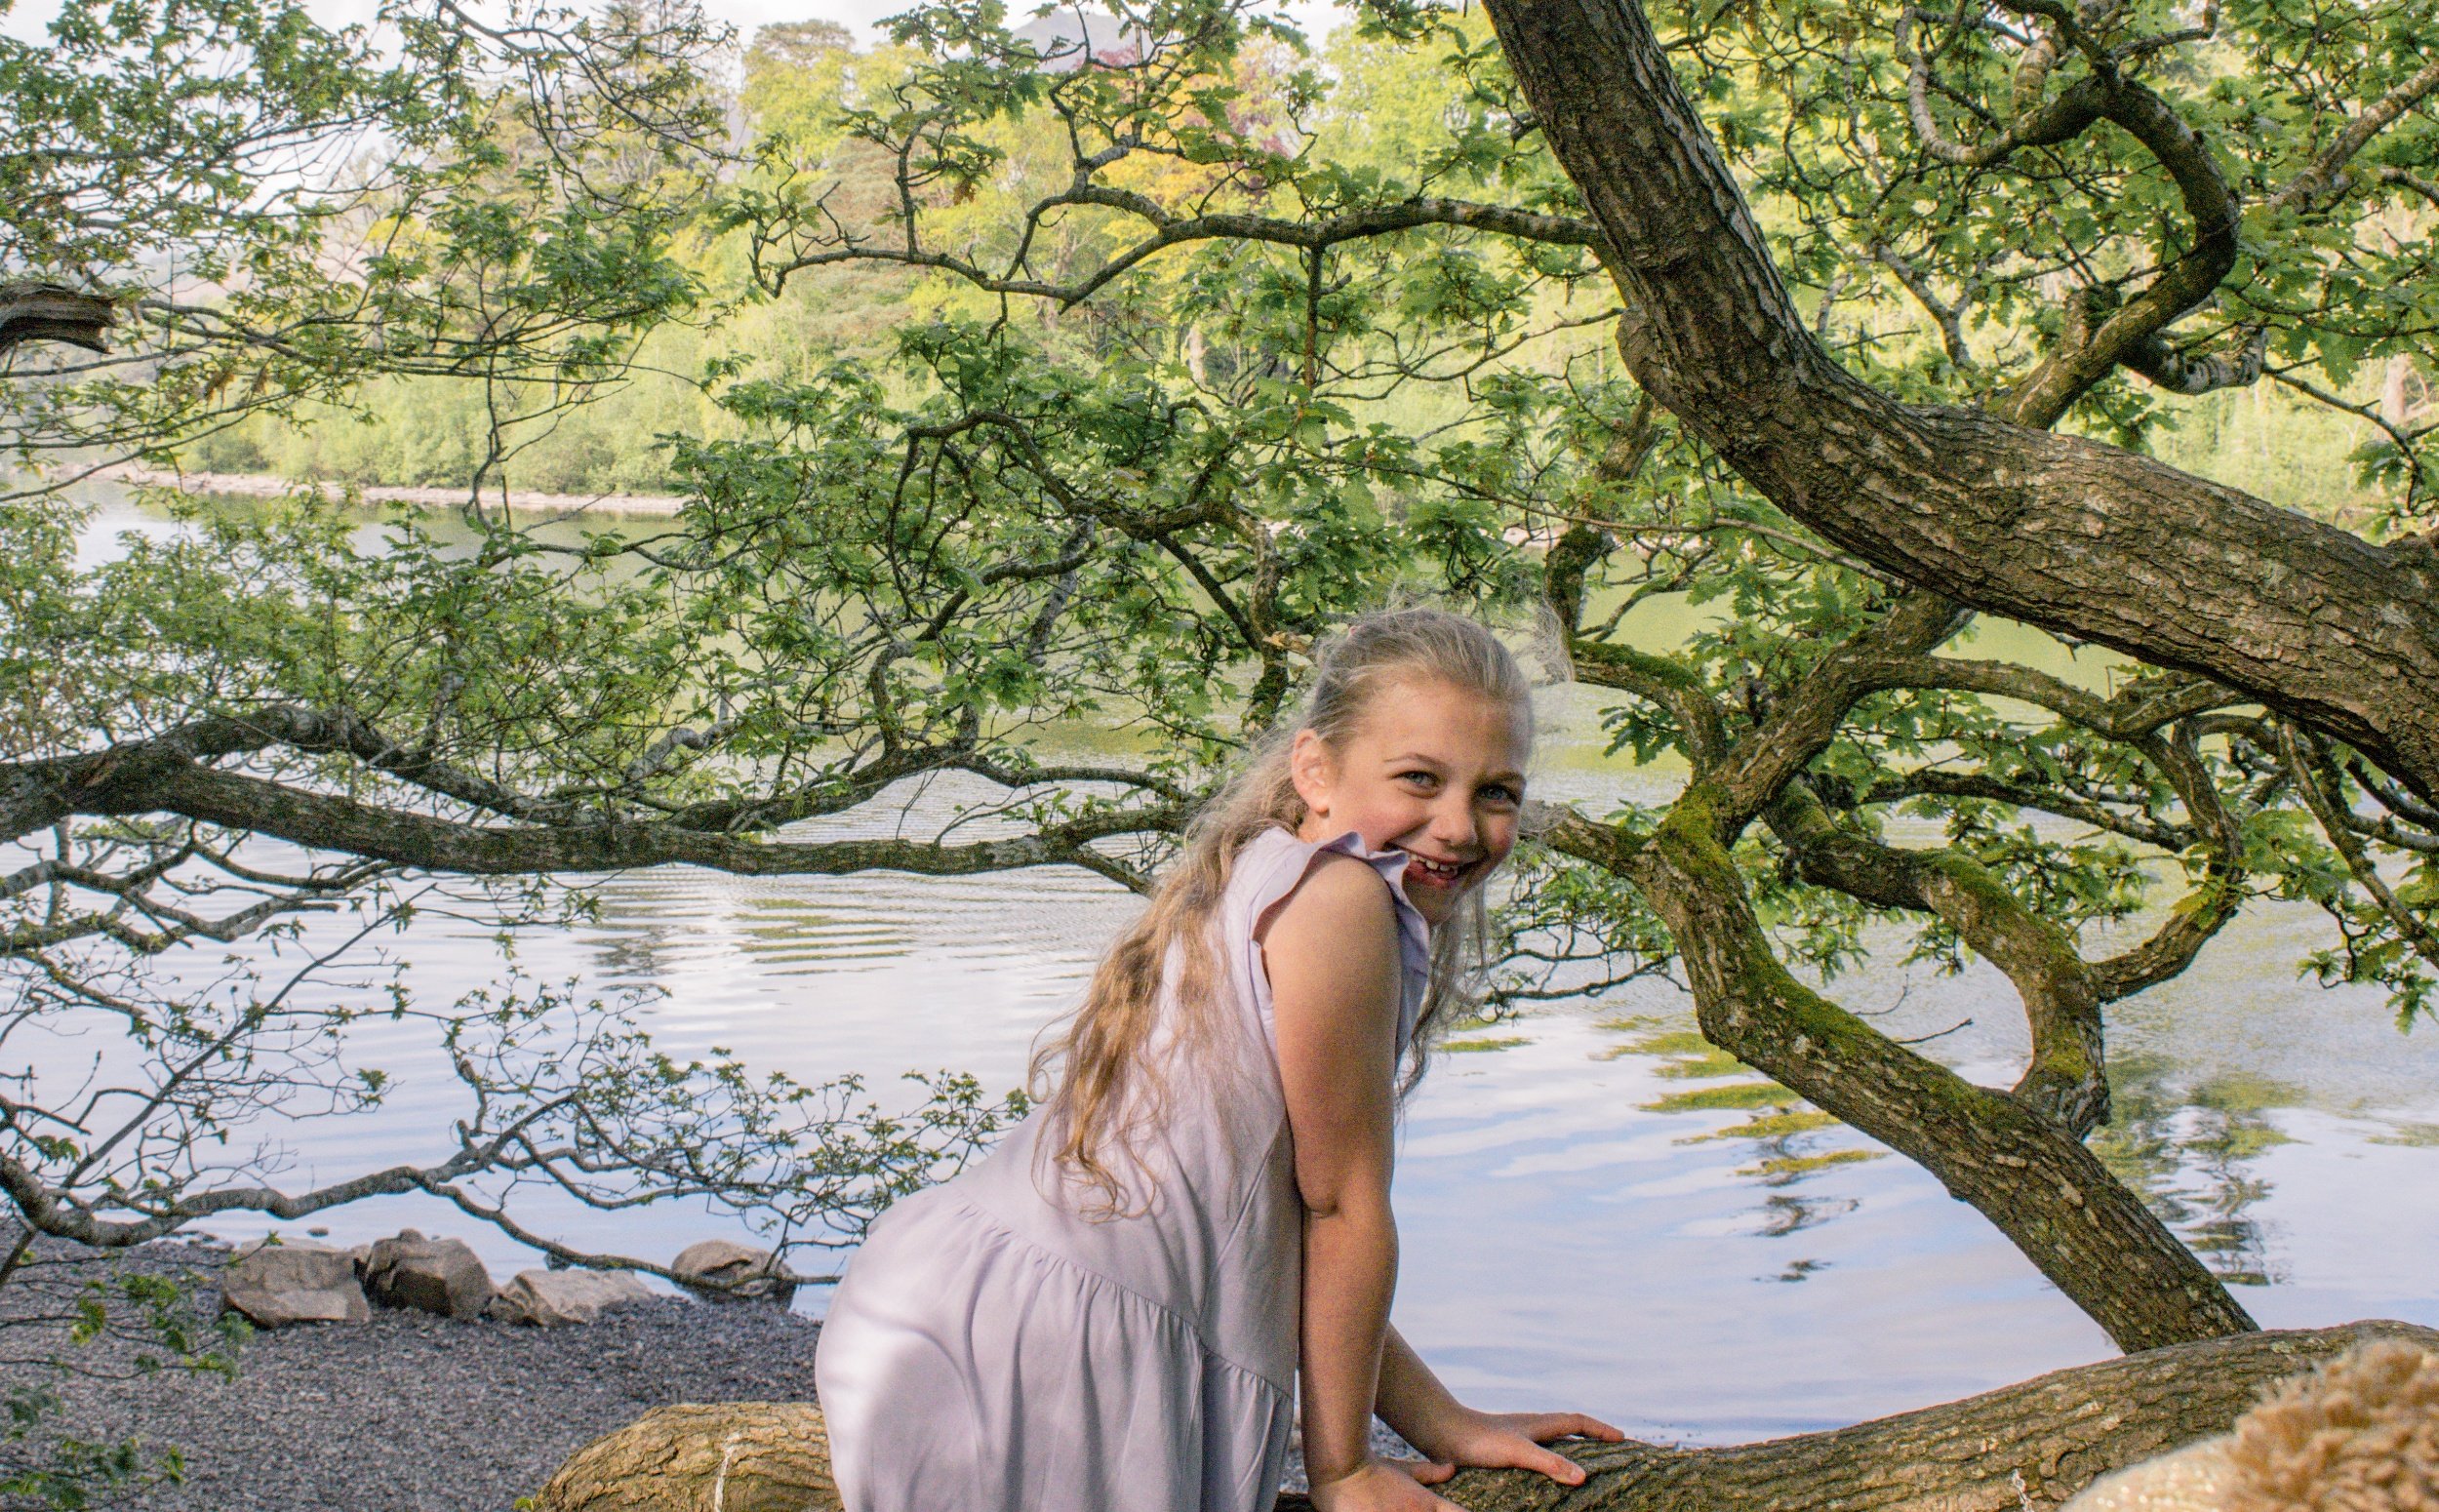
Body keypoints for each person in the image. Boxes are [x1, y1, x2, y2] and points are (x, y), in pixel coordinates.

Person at [816, 608, 1623, 1511]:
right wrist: (1344, 1470)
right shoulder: (1343, 900)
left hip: (940, 1307)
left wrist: (1437, 1419)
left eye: (1497, 792)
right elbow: (1340, 1205)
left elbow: (1280, 1229)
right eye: (1419, 779)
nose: (1458, 826)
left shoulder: (1265, 866)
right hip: (1053, 1354)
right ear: (1315, 771)